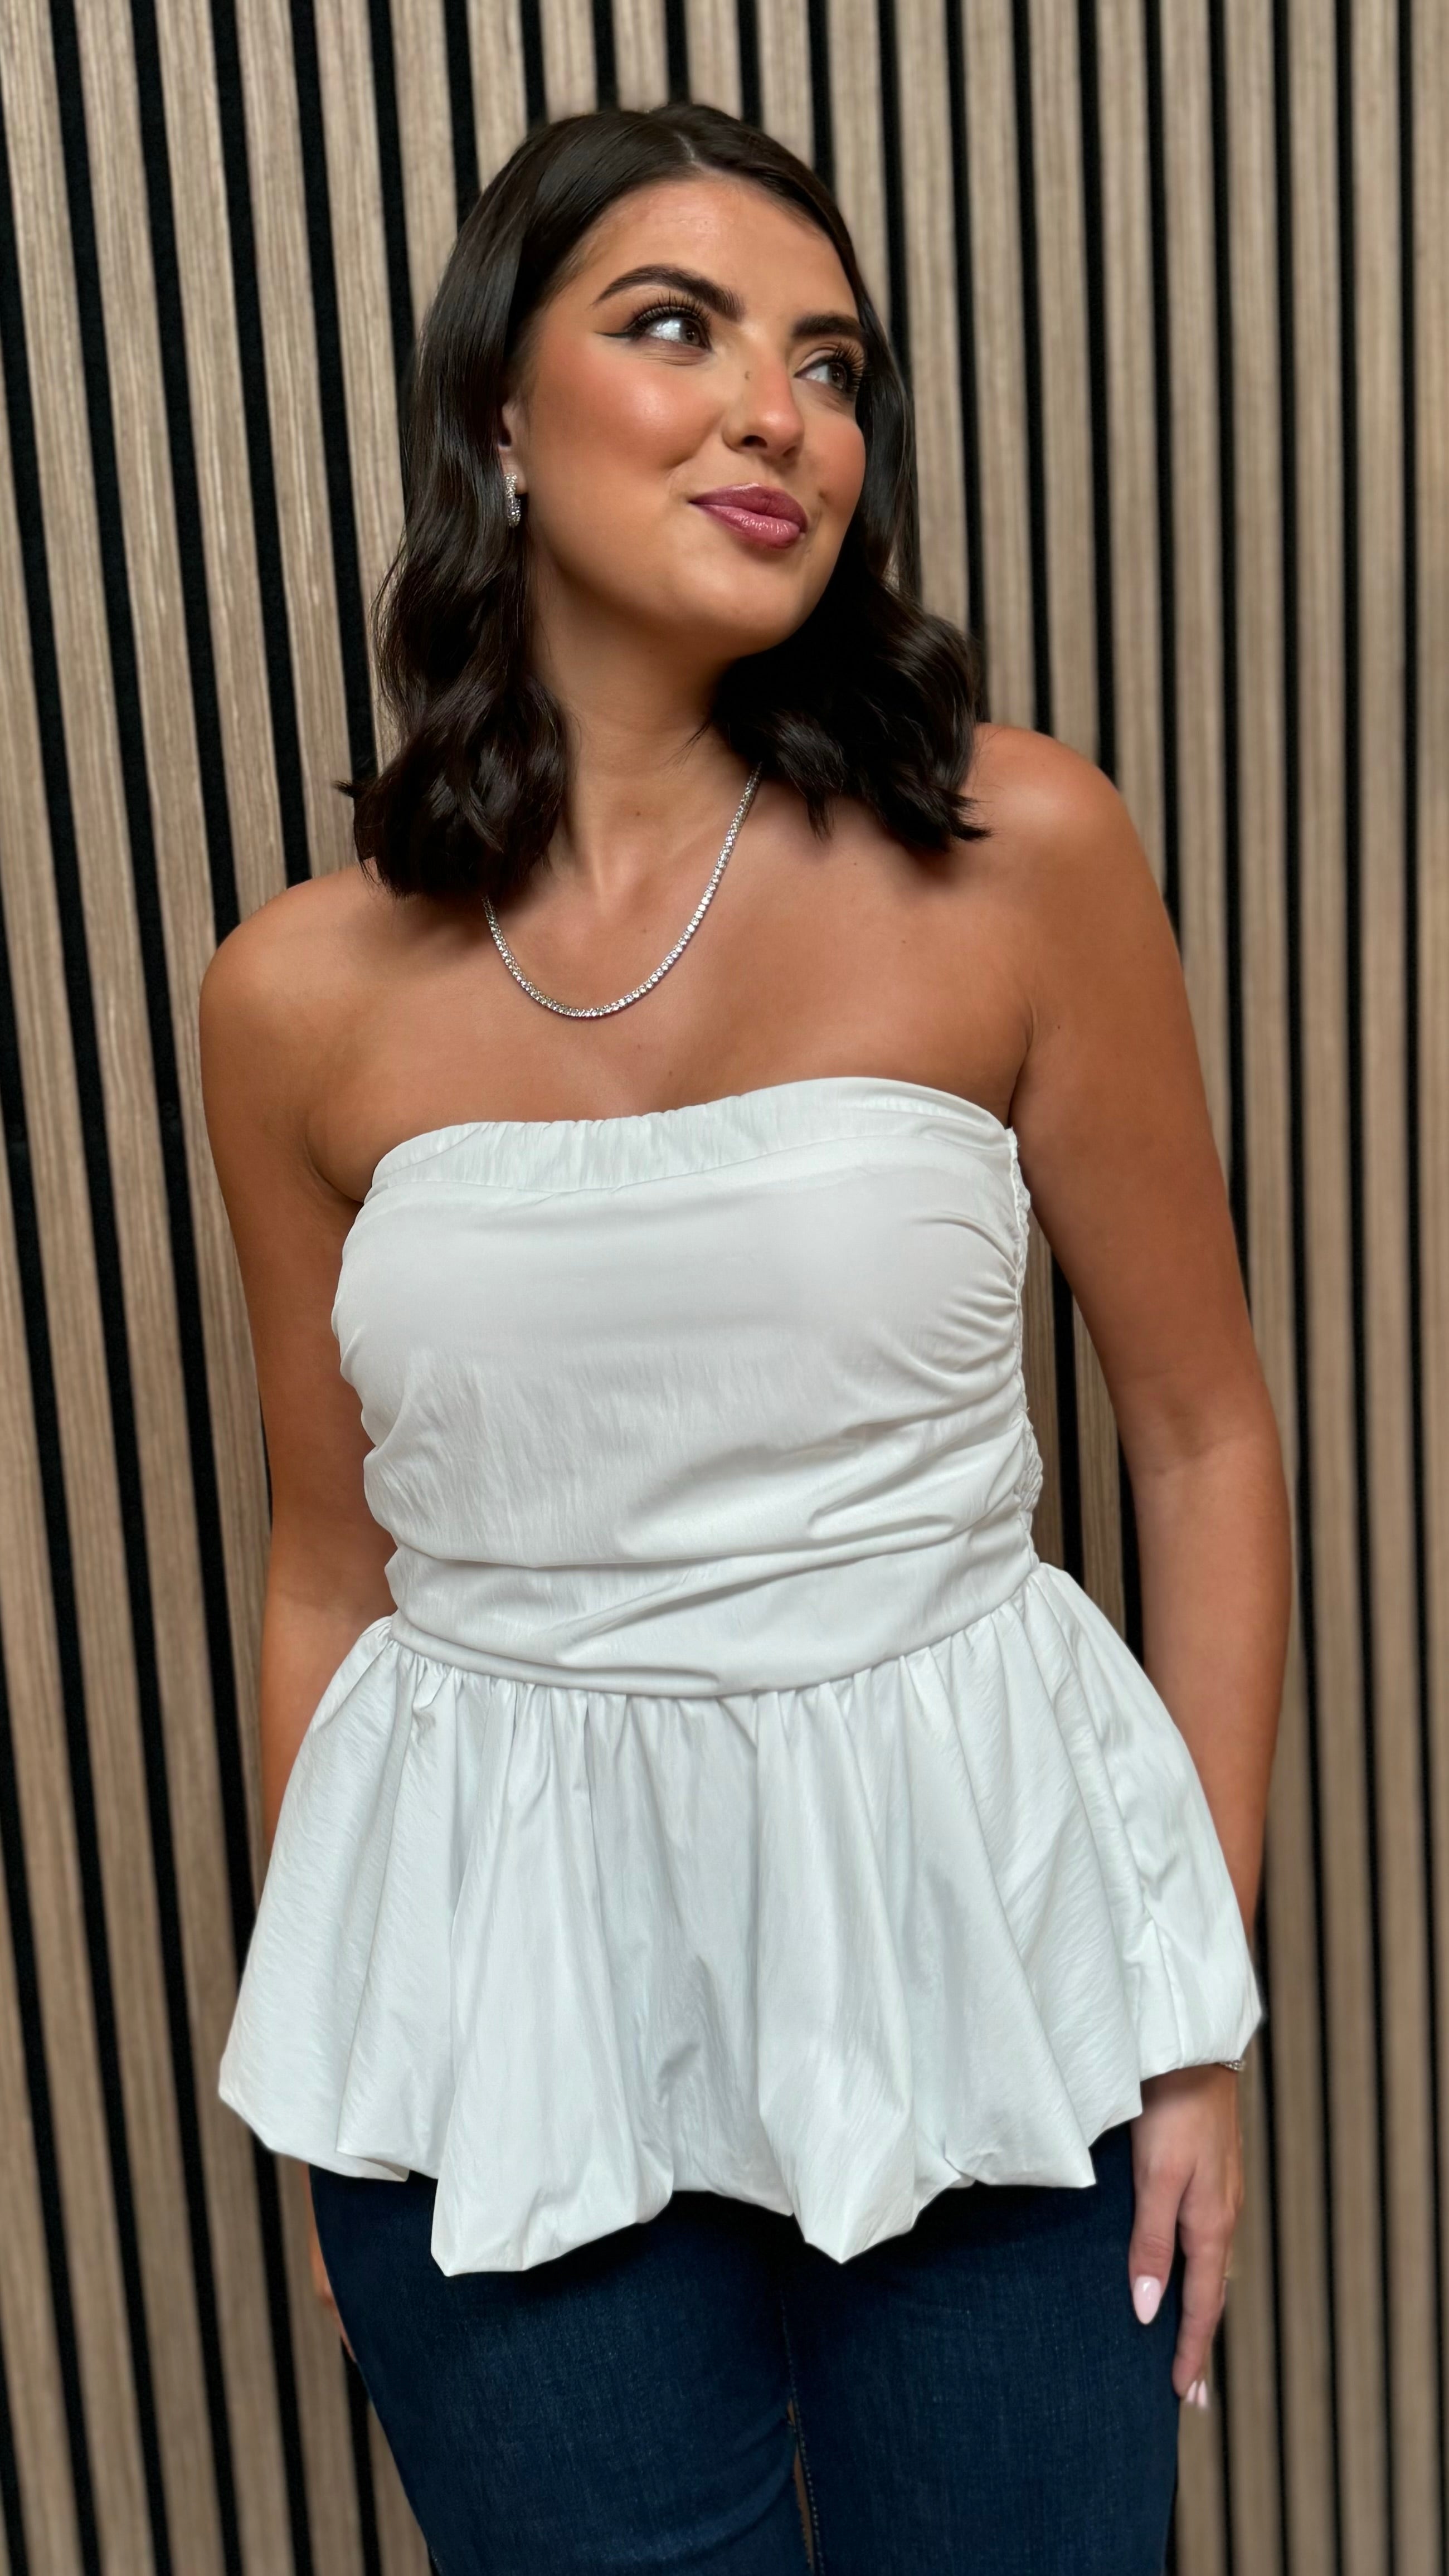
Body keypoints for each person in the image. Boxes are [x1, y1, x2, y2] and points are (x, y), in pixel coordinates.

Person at [201, 100, 1288, 2576]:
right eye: (675, 329)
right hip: (495, 2010)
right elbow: (326, 1571)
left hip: (985, 1960)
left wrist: (1191, 2003)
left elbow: (1203, 1438)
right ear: (499, 411)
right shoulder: (291, 996)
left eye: (829, 363)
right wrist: (353, 2049)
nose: (774, 413)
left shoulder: (1014, 851)